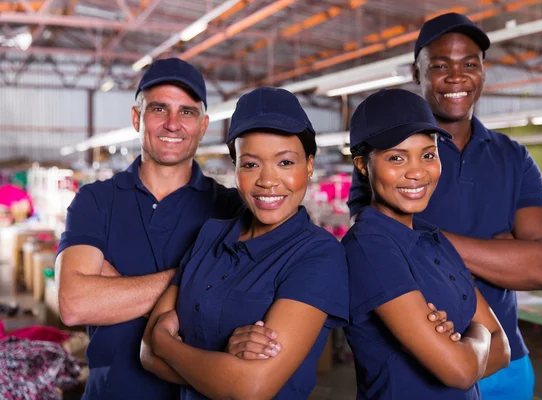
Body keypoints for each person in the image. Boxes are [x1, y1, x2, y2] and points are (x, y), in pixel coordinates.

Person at [348, 13, 542, 400]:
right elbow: (381, 248)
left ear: (483, 70)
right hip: (424, 364)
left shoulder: (514, 157)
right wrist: (501, 250)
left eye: (469, 64)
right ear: (417, 73)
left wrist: (430, 242)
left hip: (508, 359)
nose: (456, 76)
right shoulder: (380, 155)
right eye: (440, 65)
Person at [55, 58, 248, 399]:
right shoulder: (95, 201)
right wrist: (197, 280)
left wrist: (114, 289)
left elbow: (242, 303)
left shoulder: (231, 209)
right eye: (159, 108)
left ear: (203, 125)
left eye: (187, 112)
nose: (173, 124)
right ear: (137, 118)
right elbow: (74, 303)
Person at [140, 87, 349, 399]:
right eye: (250, 164)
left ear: (309, 165)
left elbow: (251, 387)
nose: (267, 180)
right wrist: (222, 370)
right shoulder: (209, 235)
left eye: (286, 163)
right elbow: (146, 355)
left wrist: (165, 342)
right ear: (235, 169)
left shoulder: (319, 256)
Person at [343, 88, 510, 399]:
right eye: (396, 157)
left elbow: (505, 346)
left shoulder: (434, 238)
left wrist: (463, 346)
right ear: (363, 166)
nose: (417, 172)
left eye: (428, 154)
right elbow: (459, 371)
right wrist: (477, 333)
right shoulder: (369, 248)